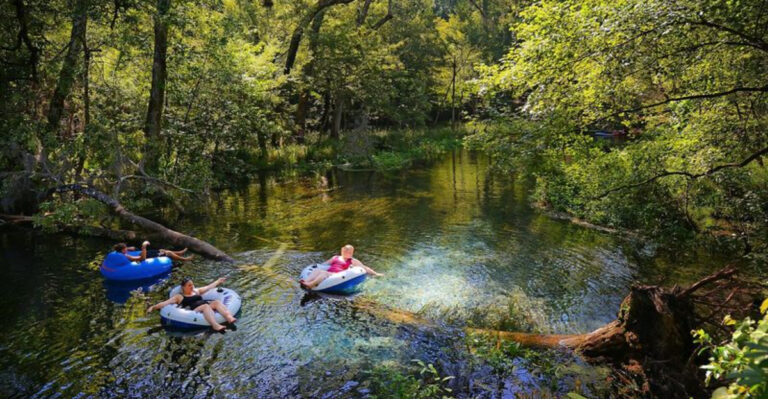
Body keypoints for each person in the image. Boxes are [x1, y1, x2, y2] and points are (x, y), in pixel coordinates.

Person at [147, 277, 236, 332]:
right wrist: (153, 307)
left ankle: (229, 318)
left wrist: (218, 281)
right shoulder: (179, 296)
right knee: (206, 306)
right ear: (183, 287)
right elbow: (165, 303)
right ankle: (215, 325)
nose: (192, 287)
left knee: (216, 302)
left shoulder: (196, 291)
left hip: (206, 306)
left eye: (192, 285)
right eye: (189, 285)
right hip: (194, 310)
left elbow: (208, 287)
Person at [300, 244, 383, 290]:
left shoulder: (352, 260)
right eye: (345, 250)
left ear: (351, 253)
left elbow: (364, 267)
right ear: (342, 250)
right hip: (328, 272)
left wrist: (376, 274)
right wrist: (316, 267)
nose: (346, 252)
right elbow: (323, 265)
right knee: (318, 270)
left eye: (349, 252)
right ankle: (305, 281)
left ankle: (311, 284)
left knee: (323, 273)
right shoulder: (335, 258)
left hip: (335, 275)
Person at [114, 241, 193, 262]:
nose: (126, 249)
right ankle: (184, 259)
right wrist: (144, 246)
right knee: (168, 253)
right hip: (148, 257)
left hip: (148, 254)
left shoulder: (122, 253)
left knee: (162, 250)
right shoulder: (128, 256)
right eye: (124, 249)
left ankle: (180, 252)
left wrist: (127, 248)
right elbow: (142, 258)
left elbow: (133, 248)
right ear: (121, 250)